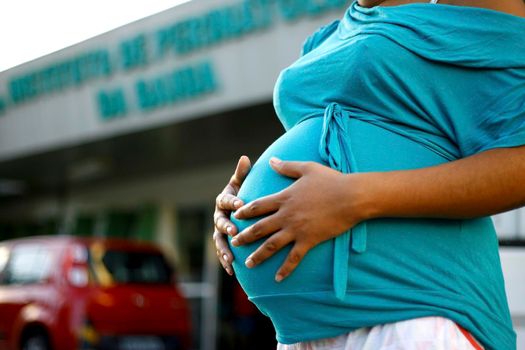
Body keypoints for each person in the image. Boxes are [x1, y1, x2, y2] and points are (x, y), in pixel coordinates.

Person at [212, 0, 525, 349]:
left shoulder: (468, 7)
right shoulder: (325, 38)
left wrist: (356, 197)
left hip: (415, 312)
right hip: (306, 331)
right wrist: (241, 207)